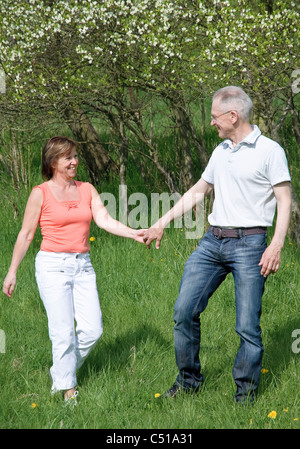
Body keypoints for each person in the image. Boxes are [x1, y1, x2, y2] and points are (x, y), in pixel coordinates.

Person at [143, 86, 292, 403]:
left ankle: (245, 395)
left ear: (233, 115)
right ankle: (188, 381)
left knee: (247, 325)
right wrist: (161, 222)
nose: (212, 123)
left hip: (251, 245)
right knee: (183, 311)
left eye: (215, 117)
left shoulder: (270, 151)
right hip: (212, 242)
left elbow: (284, 199)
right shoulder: (221, 150)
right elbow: (199, 190)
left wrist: (276, 245)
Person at [3, 136, 145, 406]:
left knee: (93, 329)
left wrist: (133, 233)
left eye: (75, 156)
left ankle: (60, 371)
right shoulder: (40, 193)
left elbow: (104, 220)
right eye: (68, 157)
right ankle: (69, 392)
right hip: (52, 267)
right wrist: (12, 271)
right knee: (63, 331)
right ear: (53, 161)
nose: (75, 161)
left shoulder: (86, 189)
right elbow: (26, 234)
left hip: (82, 266)